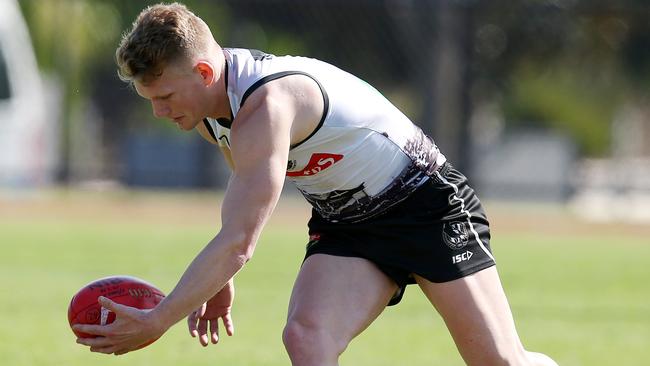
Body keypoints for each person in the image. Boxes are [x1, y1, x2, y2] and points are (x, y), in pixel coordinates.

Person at [74, 3, 559, 365]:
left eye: (164, 96)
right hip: (347, 223)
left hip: (427, 206)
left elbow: (240, 241)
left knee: (500, 361)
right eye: (149, 99)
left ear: (203, 71)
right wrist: (218, 285)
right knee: (306, 336)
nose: (158, 112)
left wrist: (160, 319)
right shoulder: (207, 107)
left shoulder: (266, 106)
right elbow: (243, 191)